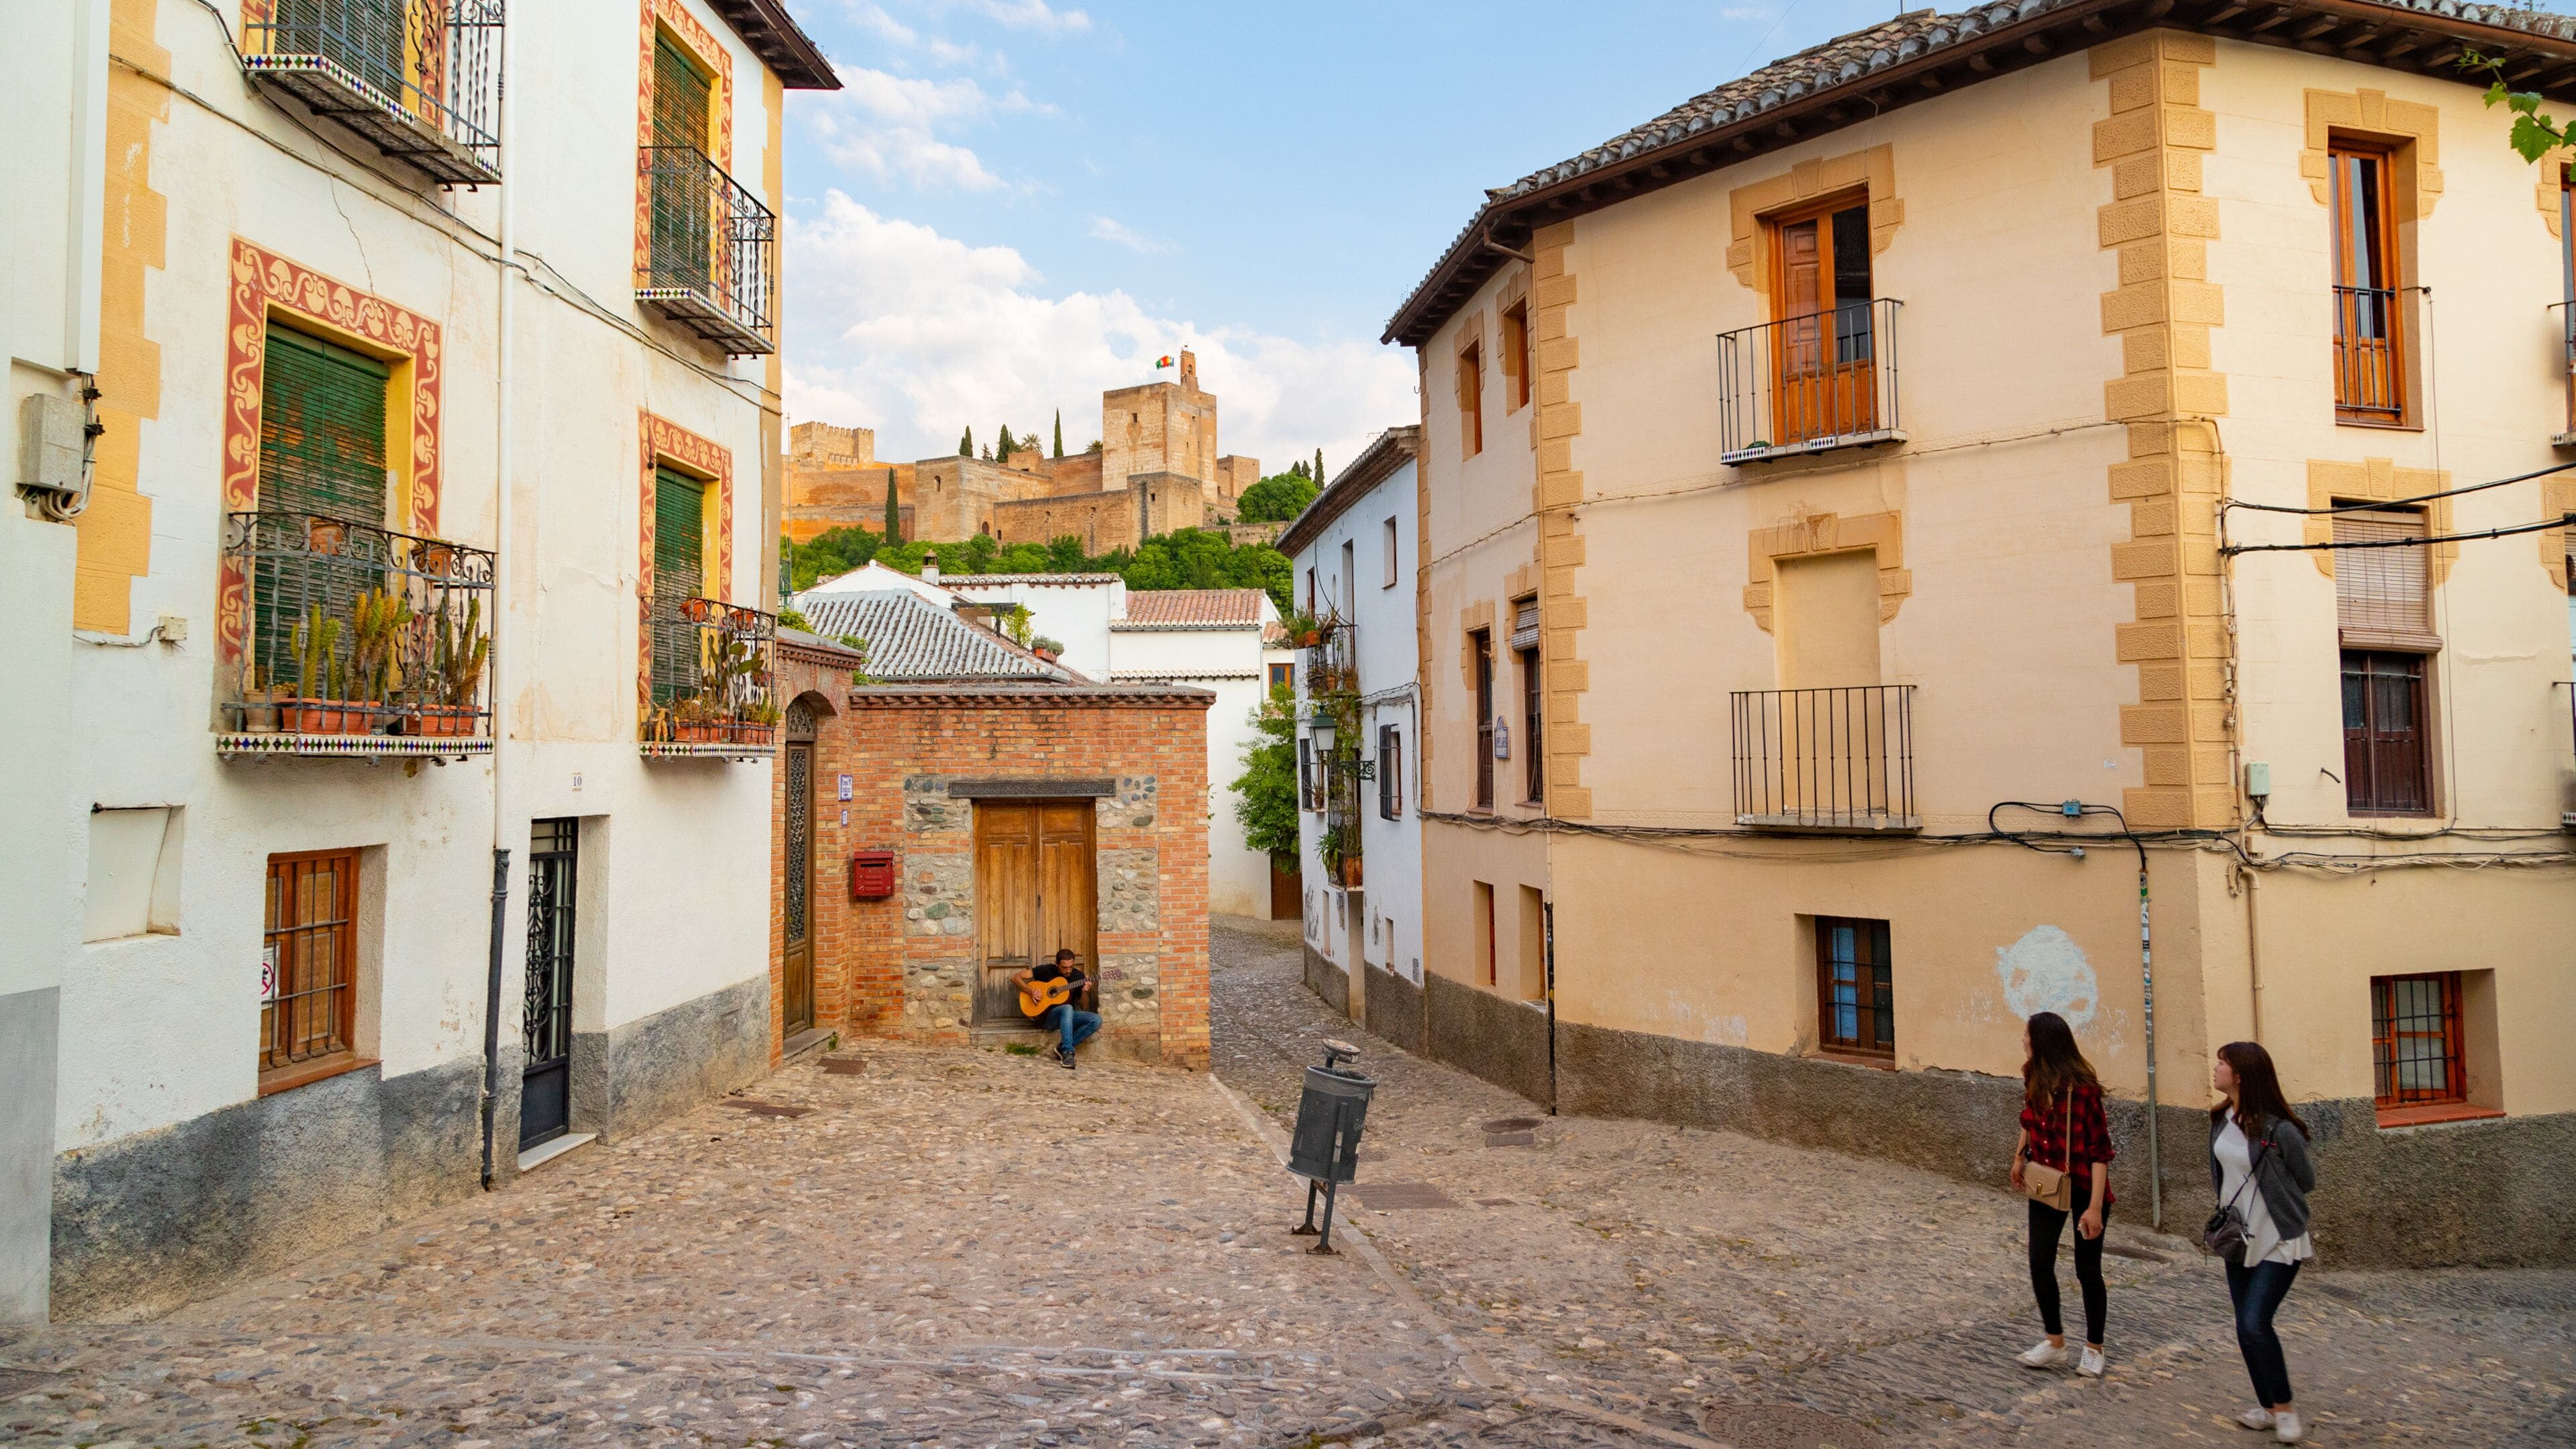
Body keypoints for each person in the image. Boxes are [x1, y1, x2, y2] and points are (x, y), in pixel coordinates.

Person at [2210, 1040, 2317, 1444]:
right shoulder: (2221, 1118)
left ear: (2240, 1075)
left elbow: (2306, 1180)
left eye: (2222, 1063)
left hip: (2277, 1238)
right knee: (2244, 1326)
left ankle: (2286, 1408)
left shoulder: (2279, 1129)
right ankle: (2269, 1408)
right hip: (2238, 1238)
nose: (2216, 1068)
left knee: (2256, 1322)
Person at [2009, 1010, 2116, 1379]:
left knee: (2087, 1270)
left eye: (2026, 1034)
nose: (2022, 1038)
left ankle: (2094, 1348)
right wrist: (2019, 1156)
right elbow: (2029, 1117)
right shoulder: (2032, 1075)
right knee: (2040, 1261)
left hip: (2087, 1185)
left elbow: (2101, 1152)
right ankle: (2055, 1342)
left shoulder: (2083, 1089)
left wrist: (2095, 1209)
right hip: (2047, 1180)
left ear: (2042, 1042)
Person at [1016, 949, 1101, 1070]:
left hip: (1068, 1017)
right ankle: (1068, 1053)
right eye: (1064, 967)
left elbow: (1084, 1007)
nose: (1068, 971)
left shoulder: (1078, 976)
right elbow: (1016, 978)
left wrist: (1084, 992)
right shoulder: (1046, 970)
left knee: (1096, 1020)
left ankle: (1063, 1047)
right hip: (1048, 1019)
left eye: (1071, 967)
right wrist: (1031, 991)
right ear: (1057, 965)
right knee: (1067, 1008)